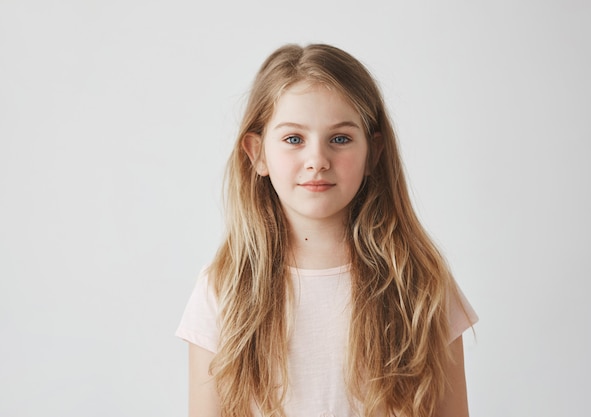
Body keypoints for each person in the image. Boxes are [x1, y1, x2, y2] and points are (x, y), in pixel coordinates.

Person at [176, 43, 478, 417]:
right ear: (257, 154)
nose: (317, 160)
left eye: (340, 139)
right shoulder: (221, 289)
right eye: (293, 139)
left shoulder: (420, 283)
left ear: (374, 152)